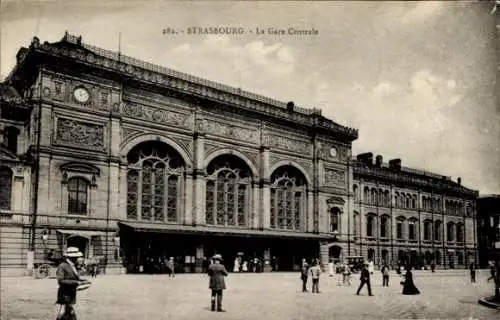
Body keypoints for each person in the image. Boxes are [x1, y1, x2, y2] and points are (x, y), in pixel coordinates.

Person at [55, 247, 91, 320]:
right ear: (71, 257)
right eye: (76, 257)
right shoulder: (62, 266)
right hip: (65, 293)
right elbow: (61, 281)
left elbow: (73, 277)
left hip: (71, 292)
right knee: (64, 311)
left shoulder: (72, 265)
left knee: (68, 311)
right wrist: (77, 282)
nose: (77, 258)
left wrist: (83, 281)